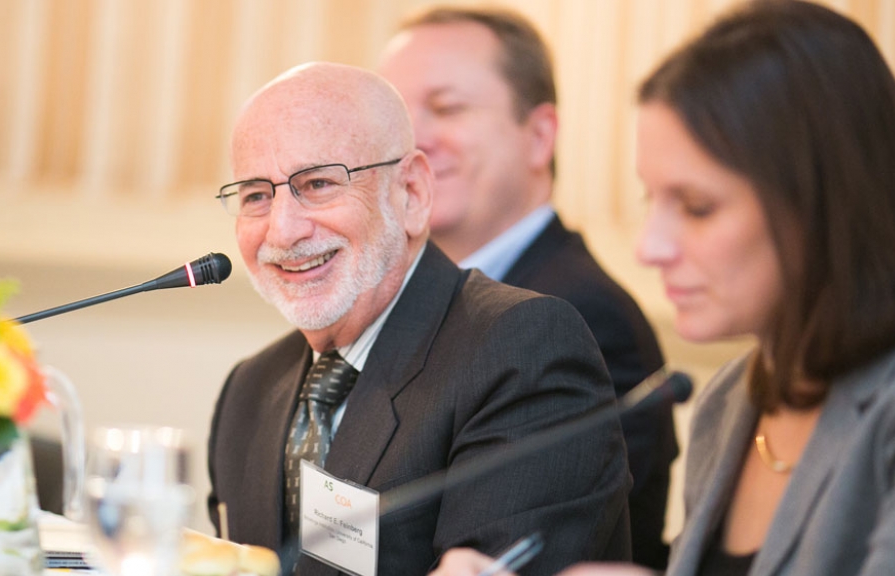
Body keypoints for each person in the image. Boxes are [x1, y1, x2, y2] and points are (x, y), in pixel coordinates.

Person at [427, 1, 895, 575]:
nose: (649, 247)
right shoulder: (731, 400)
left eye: (698, 207)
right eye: (649, 201)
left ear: (827, 202)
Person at [206, 61, 632, 576]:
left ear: (412, 193)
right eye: (255, 195)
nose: (283, 230)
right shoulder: (250, 390)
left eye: (317, 183)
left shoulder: (521, 351)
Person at [378, 6, 676, 568]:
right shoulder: (396, 304)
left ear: (539, 135)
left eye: (446, 108)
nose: (412, 144)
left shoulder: (580, 317)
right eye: (394, 118)